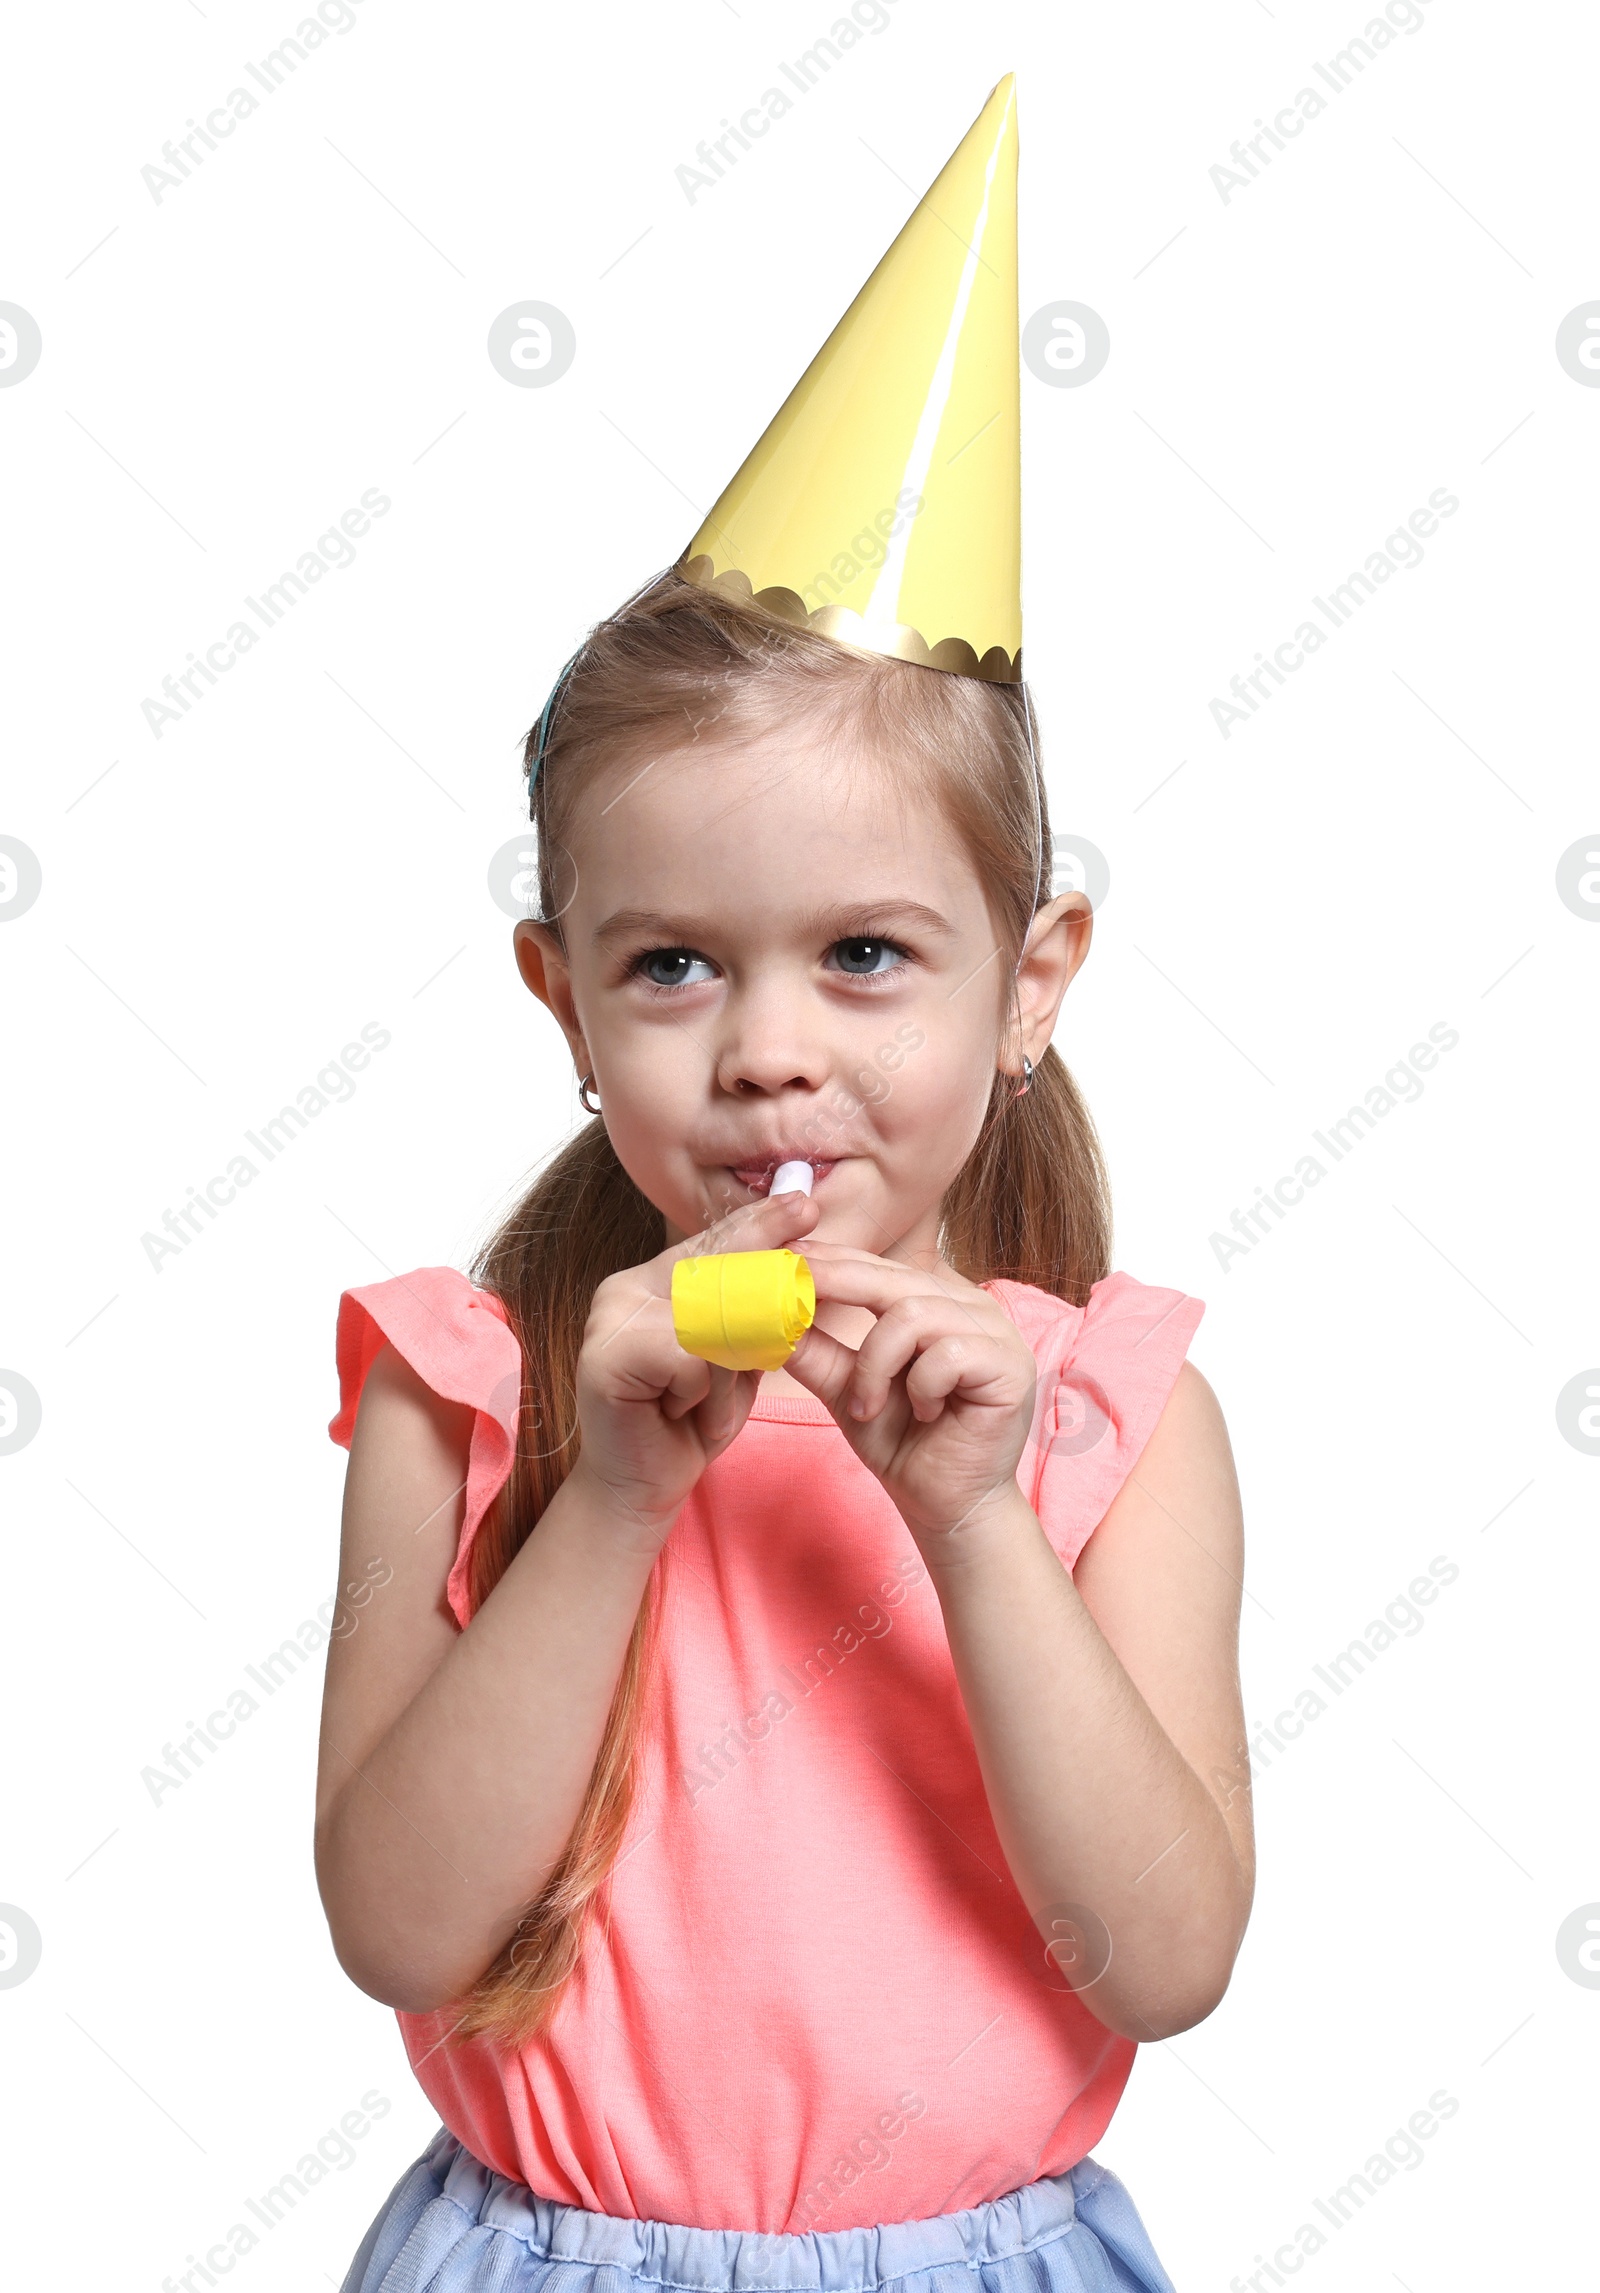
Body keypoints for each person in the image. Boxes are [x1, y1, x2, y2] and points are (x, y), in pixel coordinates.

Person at [317, 75, 1252, 2293]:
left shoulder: (1114, 1413)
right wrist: (617, 1499)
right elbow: (397, 1925)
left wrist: (974, 1523)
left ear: (1030, 986)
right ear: (559, 995)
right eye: (670, 964)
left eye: (862, 955)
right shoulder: (462, 1390)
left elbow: (1163, 1956)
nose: (765, 1046)